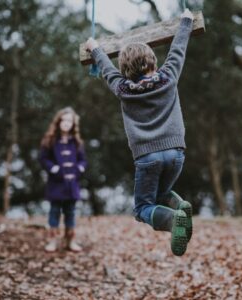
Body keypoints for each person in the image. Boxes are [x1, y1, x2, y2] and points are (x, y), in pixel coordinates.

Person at [85, 9, 194, 256]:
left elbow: (105, 68)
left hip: (148, 157)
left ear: (126, 69)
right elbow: (178, 48)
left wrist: (95, 48)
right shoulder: (169, 77)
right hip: (176, 153)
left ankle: (175, 219)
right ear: (153, 61)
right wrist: (186, 20)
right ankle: (180, 206)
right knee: (162, 193)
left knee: (143, 208)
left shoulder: (123, 88)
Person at [39, 107, 87, 252]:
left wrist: (79, 169)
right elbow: (43, 158)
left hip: (72, 185)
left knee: (70, 212)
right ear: (58, 122)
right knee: (54, 212)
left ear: (73, 124)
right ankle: (52, 241)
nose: (66, 123)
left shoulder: (77, 142)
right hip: (56, 184)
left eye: (70, 121)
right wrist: (54, 169)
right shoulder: (50, 140)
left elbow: (83, 160)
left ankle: (70, 241)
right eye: (64, 120)